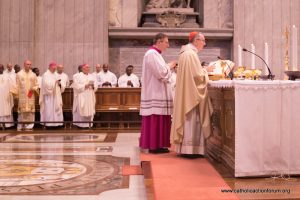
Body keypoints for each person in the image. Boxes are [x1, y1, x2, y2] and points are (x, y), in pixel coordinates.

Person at [171, 32, 213, 157]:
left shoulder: (185, 53)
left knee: (189, 121)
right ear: (196, 41)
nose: (204, 44)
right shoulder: (190, 54)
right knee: (193, 119)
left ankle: (185, 148)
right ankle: (192, 149)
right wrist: (207, 71)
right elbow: (197, 76)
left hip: (187, 92)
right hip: (191, 95)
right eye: (203, 41)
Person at [139, 33, 177, 153]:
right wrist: (170, 66)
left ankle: (160, 145)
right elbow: (161, 73)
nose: (168, 45)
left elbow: (160, 70)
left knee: (161, 119)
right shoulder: (152, 54)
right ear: (159, 42)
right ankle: (155, 146)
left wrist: (167, 67)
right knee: (156, 119)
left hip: (158, 92)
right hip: (155, 92)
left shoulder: (156, 54)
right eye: (166, 42)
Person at [14, 60, 39, 131]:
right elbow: (16, 85)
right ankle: (21, 125)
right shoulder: (19, 74)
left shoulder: (33, 74)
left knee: (30, 111)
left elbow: (36, 84)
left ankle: (29, 126)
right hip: (22, 95)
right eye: (28, 64)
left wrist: (33, 88)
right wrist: (16, 96)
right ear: (24, 64)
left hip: (30, 95)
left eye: (30, 64)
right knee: (22, 110)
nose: (29, 66)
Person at [72, 64, 97, 128]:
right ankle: (80, 125)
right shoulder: (77, 76)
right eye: (86, 68)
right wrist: (85, 86)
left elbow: (96, 86)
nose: (88, 69)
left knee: (90, 109)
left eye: (89, 67)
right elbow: (75, 86)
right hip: (81, 95)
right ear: (83, 69)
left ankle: (89, 124)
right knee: (81, 109)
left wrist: (93, 86)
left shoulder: (92, 76)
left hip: (89, 95)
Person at [39, 62, 63, 127]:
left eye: (55, 68)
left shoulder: (56, 74)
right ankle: (49, 124)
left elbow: (61, 83)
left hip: (56, 95)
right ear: (49, 67)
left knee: (57, 108)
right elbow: (46, 85)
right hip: (49, 95)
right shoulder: (46, 75)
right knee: (49, 109)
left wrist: (60, 83)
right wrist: (55, 82)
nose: (54, 69)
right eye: (53, 68)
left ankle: (57, 123)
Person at [0, 64, 14, 128]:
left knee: (6, 108)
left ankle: (7, 124)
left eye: (1, 68)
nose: (0, 69)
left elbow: (11, 86)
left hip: (6, 96)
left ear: (3, 68)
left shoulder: (7, 76)